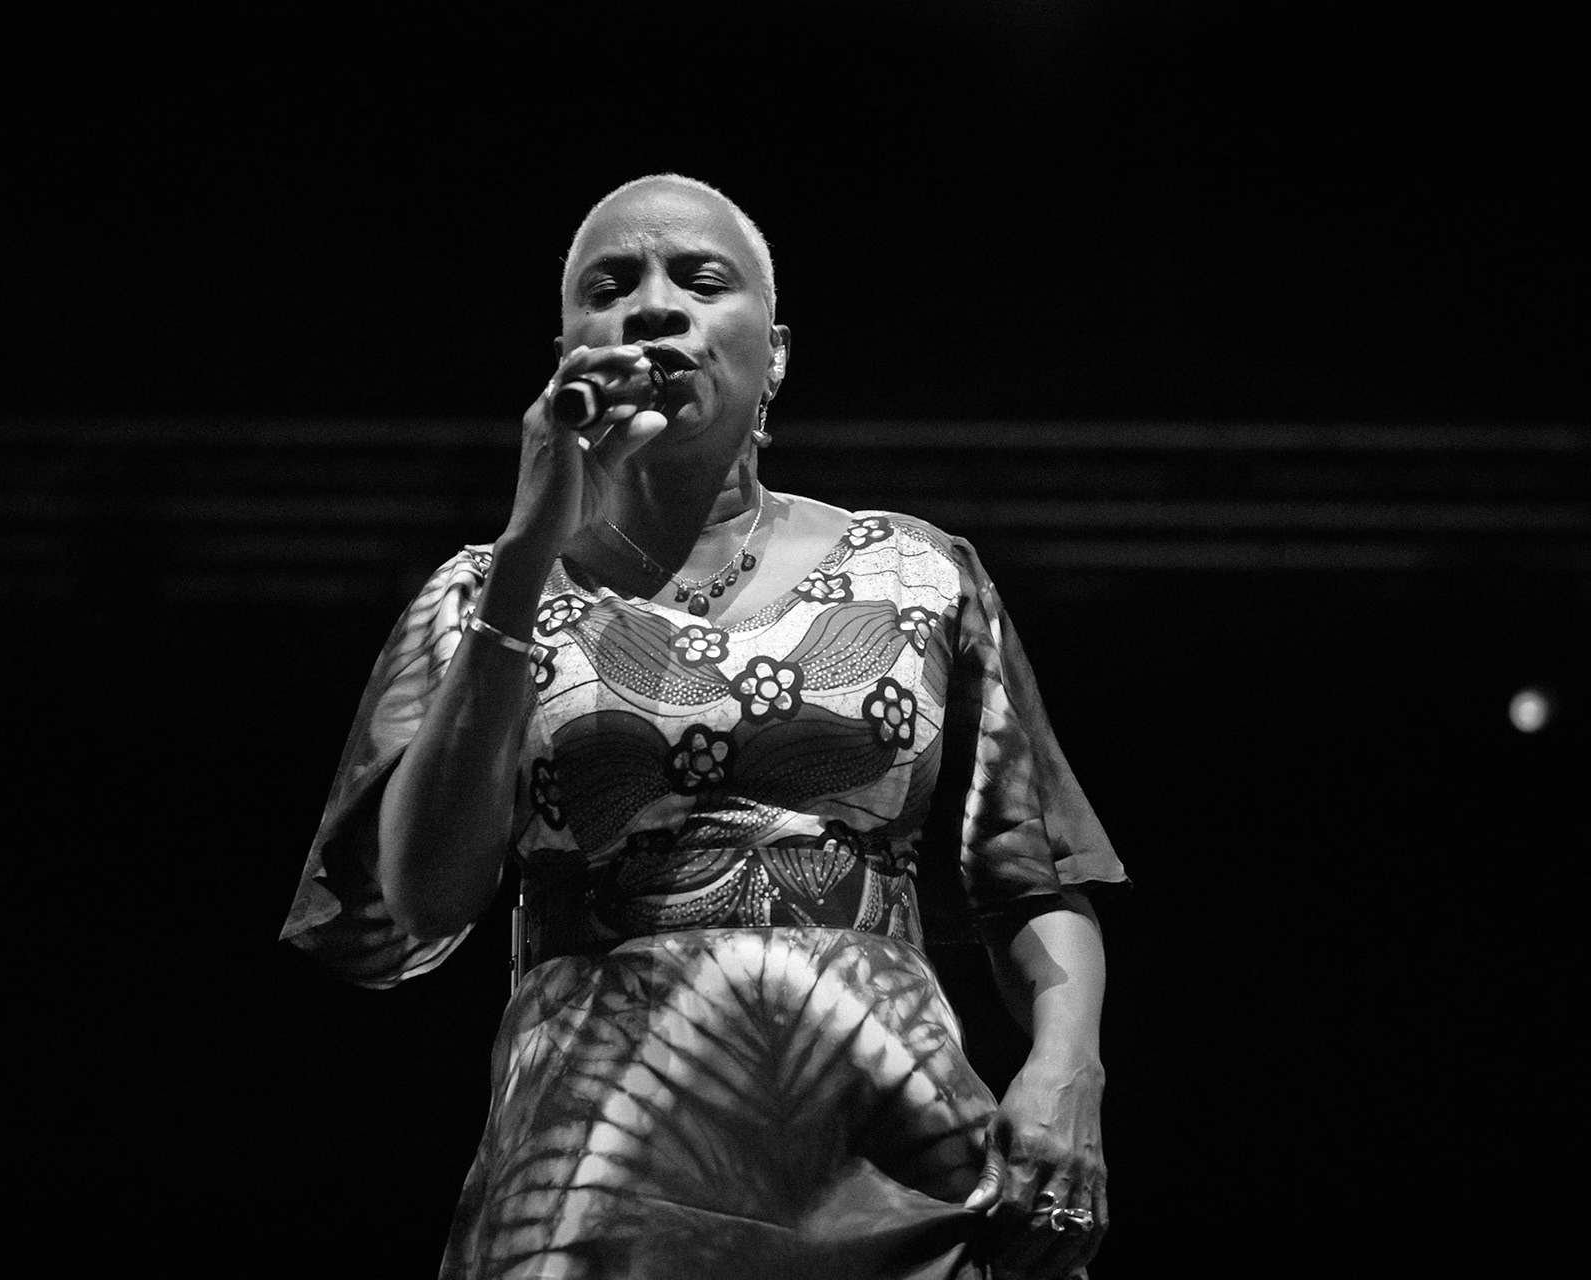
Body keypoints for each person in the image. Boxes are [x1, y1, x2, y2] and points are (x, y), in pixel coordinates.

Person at [280, 174, 1128, 1279]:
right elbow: (422, 899)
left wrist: (1069, 1068)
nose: (653, 304)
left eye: (700, 277)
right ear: (564, 347)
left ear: (773, 353)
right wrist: (531, 548)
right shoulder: (483, 593)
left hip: (894, 1162)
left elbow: (1033, 872)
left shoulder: (919, 573)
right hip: (602, 1167)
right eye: (611, 285)